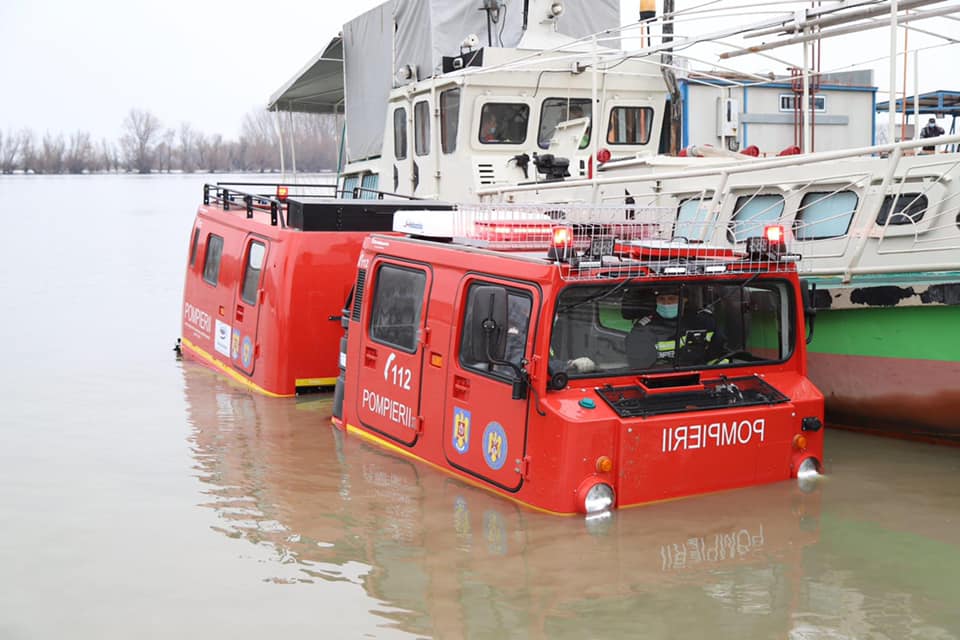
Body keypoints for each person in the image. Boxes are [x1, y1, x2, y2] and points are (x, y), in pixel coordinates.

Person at [624, 288, 722, 369]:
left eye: (671, 299)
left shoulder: (704, 322)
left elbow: (720, 354)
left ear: (685, 299)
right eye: (661, 299)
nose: (666, 304)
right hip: (659, 382)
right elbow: (639, 365)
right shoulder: (644, 328)